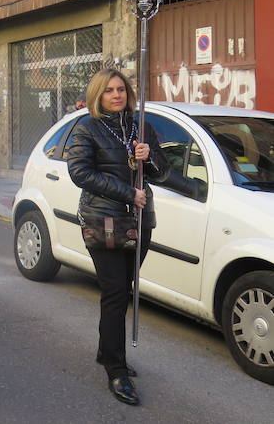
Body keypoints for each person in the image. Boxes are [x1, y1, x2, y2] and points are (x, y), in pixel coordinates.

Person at [66, 68, 201, 407]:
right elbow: (79, 172)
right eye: (109, 90)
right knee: (114, 293)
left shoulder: (141, 127)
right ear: (99, 95)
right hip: (104, 220)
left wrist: (148, 156)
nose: (116, 95)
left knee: (122, 289)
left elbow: (162, 172)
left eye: (121, 89)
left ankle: (104, 349)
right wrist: (127, 192)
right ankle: (116, 369)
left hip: (140, 219)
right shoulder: (88, 127)